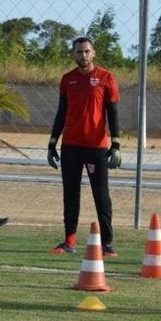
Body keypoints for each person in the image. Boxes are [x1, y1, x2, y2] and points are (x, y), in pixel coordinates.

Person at [46, 36, 122, 257]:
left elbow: (113, 112)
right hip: (70, 146)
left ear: (93, 53)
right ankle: (69, 241)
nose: (83, 55)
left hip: (96, 148)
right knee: (70, 194)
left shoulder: (106, 78)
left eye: (87, 51)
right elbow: (61, 113)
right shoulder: (67, 79)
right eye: (79, 52)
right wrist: (52, 143)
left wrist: (115, 144)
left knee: (101, 194)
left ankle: (107, 243)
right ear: (74, 54)